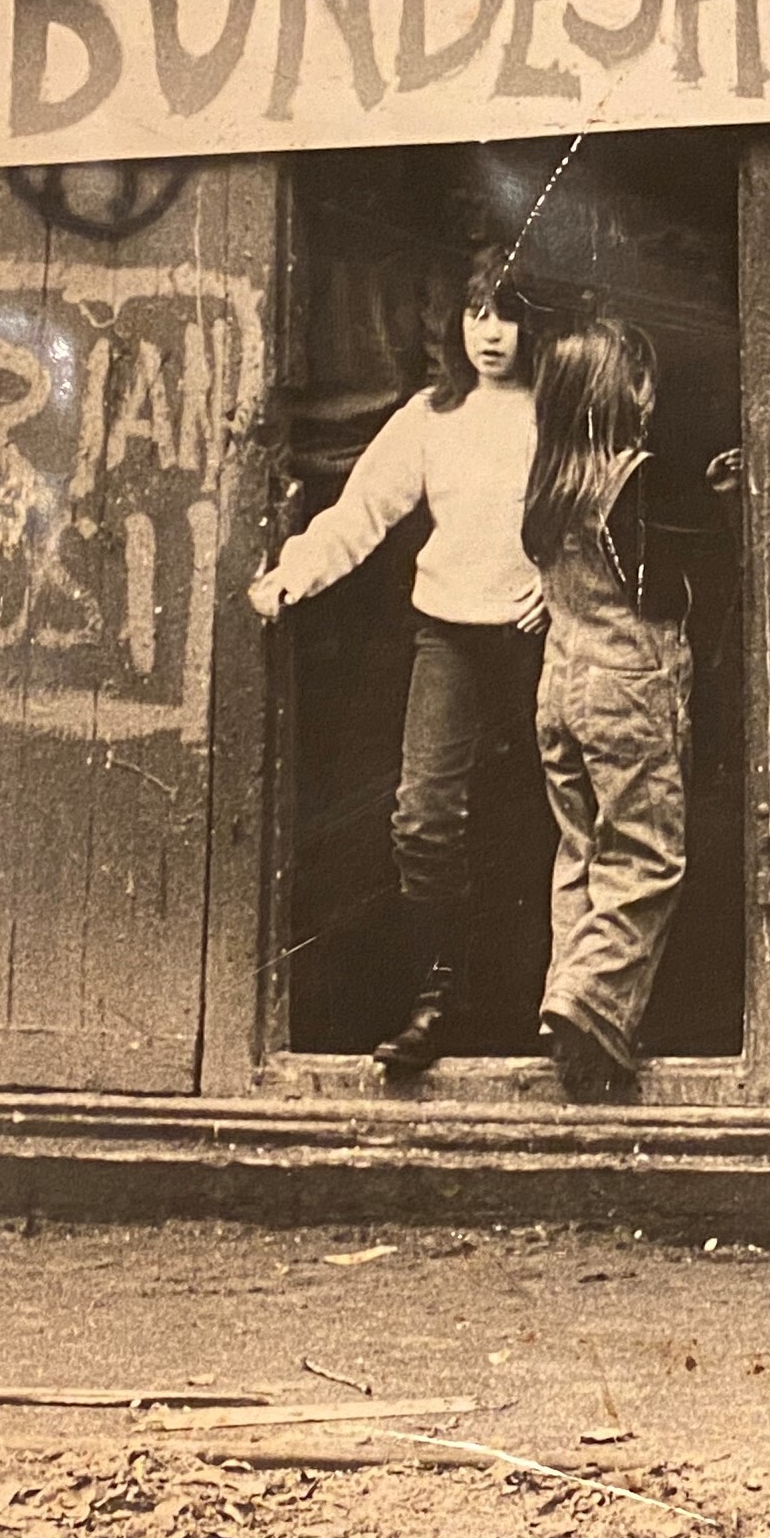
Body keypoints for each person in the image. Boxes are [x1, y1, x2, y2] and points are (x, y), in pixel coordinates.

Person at [250, 246, 545, 1075]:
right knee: (423, 818)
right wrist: (290, 578)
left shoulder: (560, 409)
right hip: (449, 633)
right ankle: (435, 999)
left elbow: (603, 510)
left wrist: (560, 589)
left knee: (549, 816)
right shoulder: (431, 414)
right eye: (477, 312)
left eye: (510, 314)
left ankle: (551, 1007)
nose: (491, 334)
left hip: (541, 639)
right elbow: (362, 510)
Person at [522, 317, 740, 1101]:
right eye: (641, 378)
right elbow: (667, 589)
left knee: (581, 850)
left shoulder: (550, 483)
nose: (653, 393)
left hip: (561, 688)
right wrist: (726, 513)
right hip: (625, 688)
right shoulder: (638, 479)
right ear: (625, 396)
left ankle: (568, 1010)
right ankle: (590, 1006)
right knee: (645, 854)